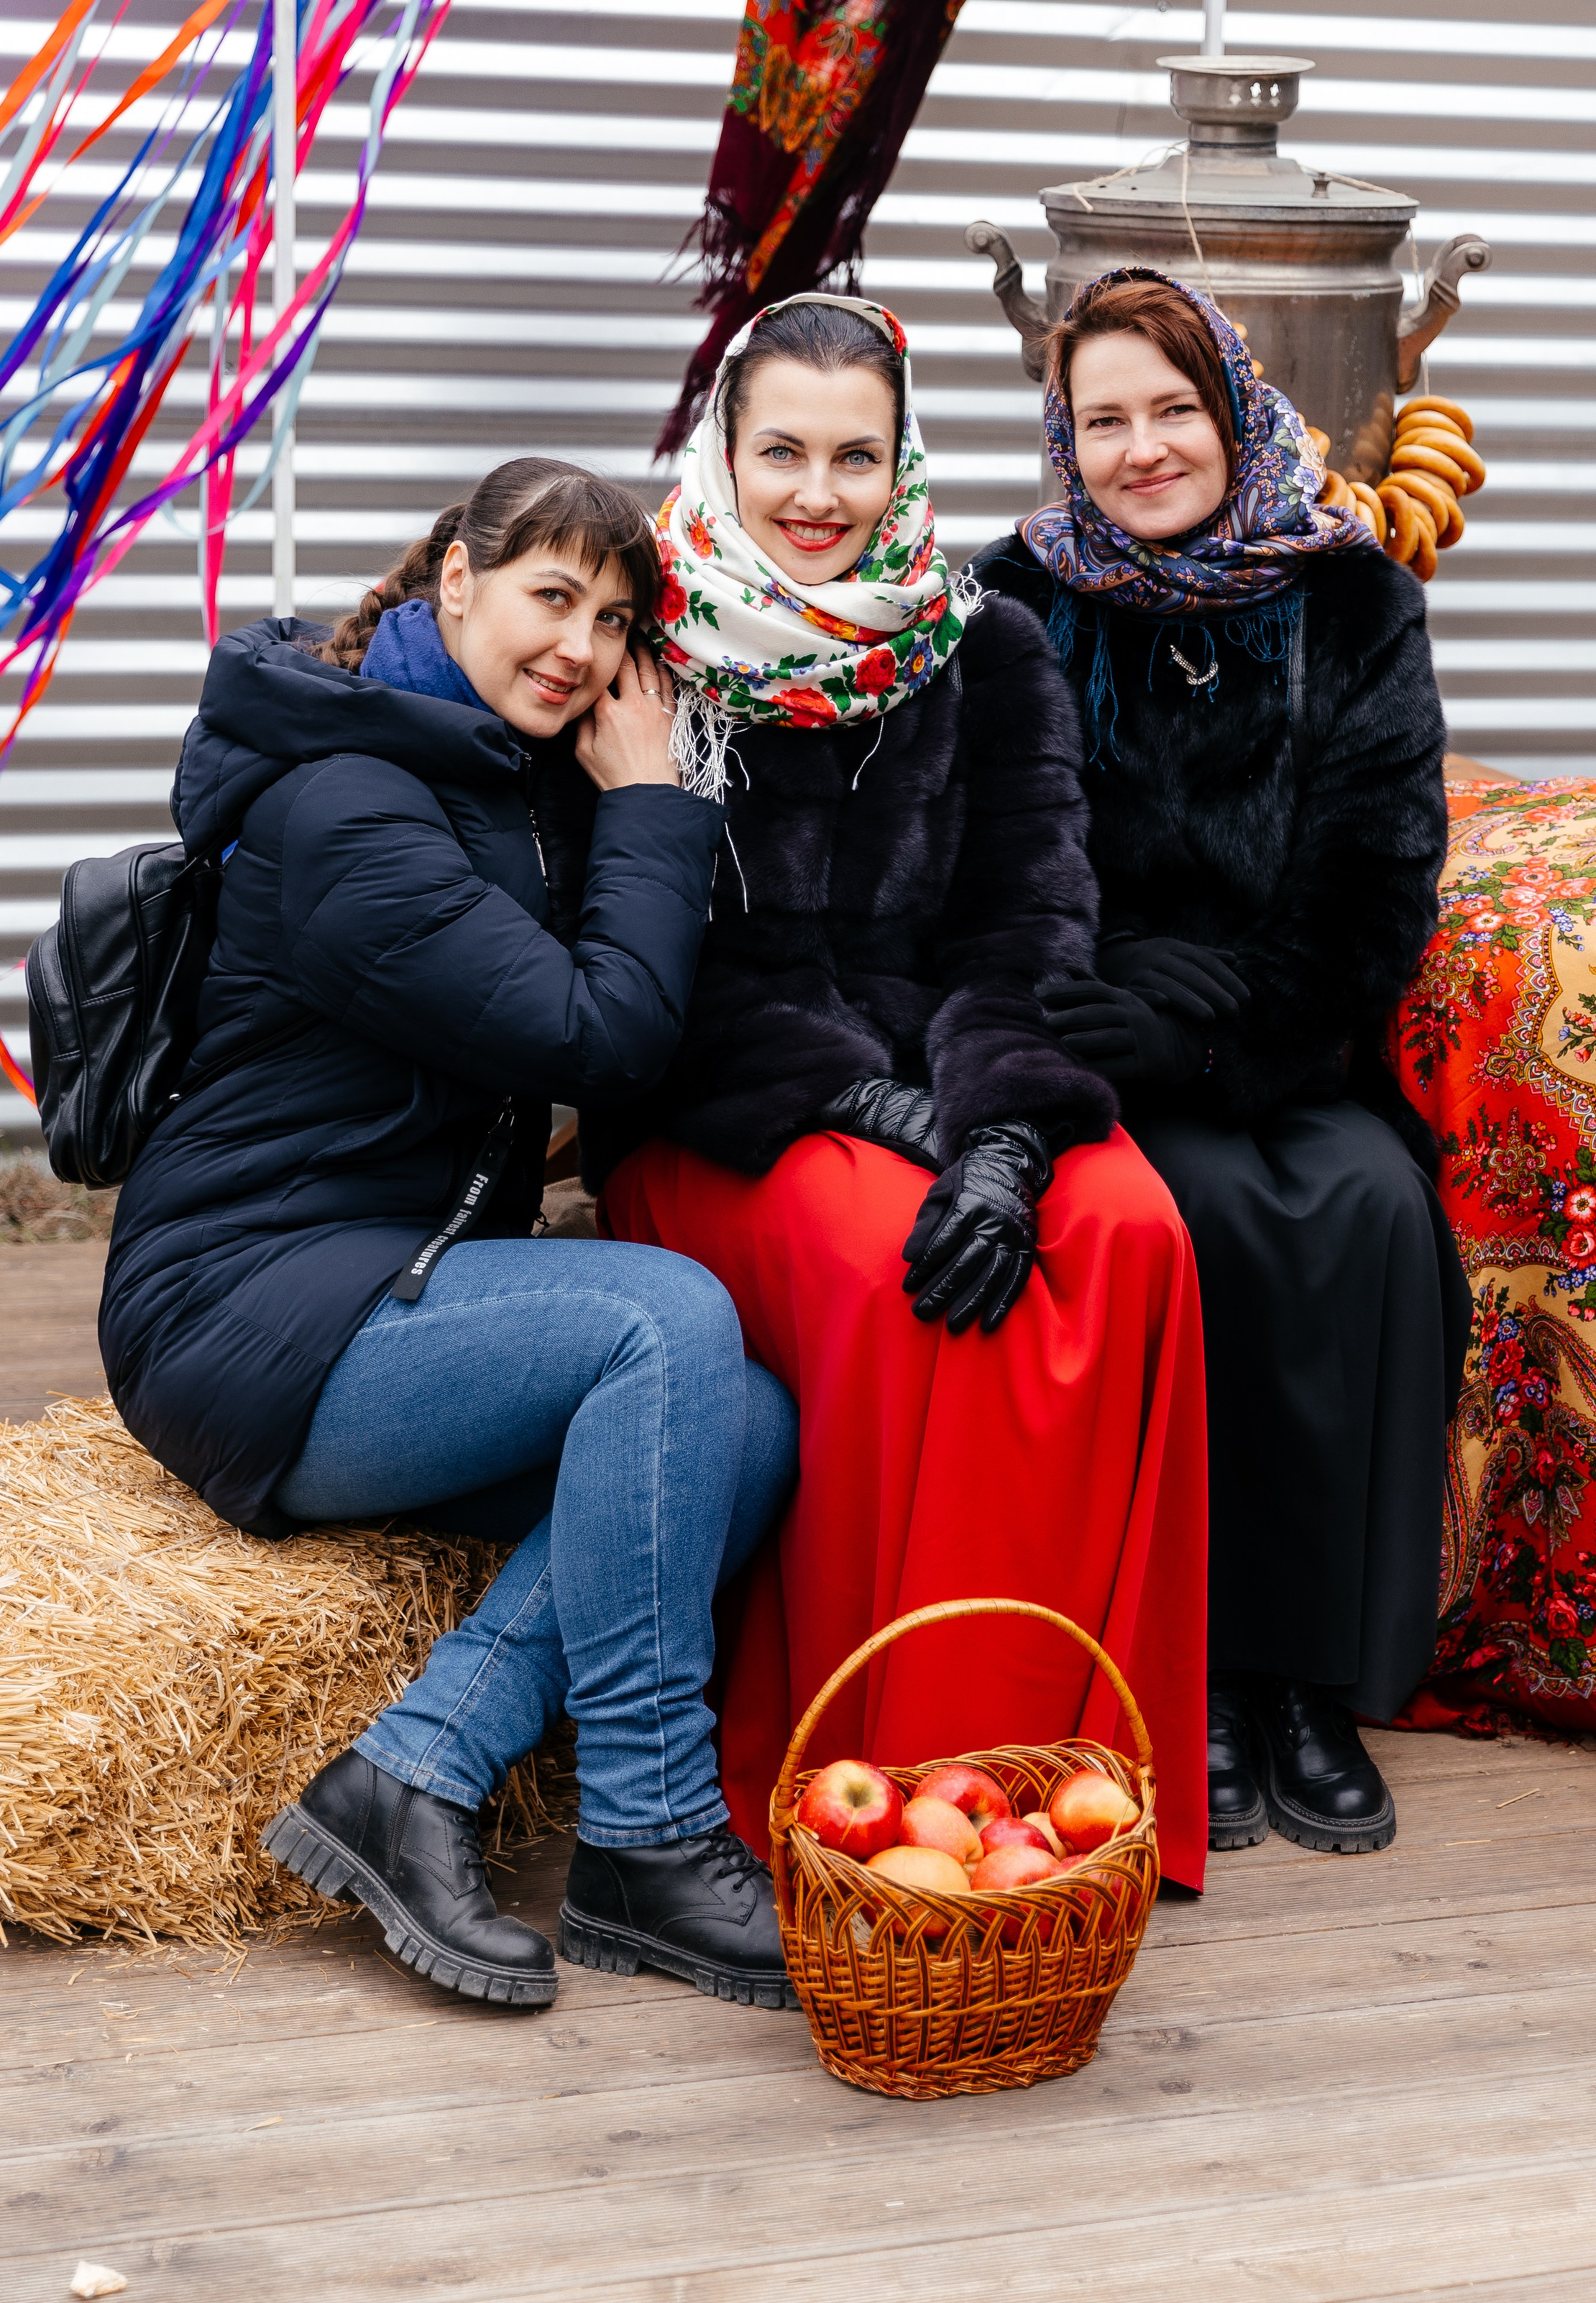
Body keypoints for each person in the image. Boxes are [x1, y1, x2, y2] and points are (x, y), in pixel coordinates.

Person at [99, 459, 801, 2010]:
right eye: (551, 597)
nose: (581, 649)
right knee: (664, 1321)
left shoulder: (475, 767)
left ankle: (412, 1773)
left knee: (742, 1424)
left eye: (615, 622)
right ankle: (650, 1837)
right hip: (243, 1312)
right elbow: (596, 1031)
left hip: (375, 1282)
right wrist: (656, 811)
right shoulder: (350, 802)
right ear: (453, 584)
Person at [576, 293, 1211, 1887]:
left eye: (855, 456)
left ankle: (1075, 1786)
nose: (817, 492)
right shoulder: (653, 651)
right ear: (723, 452)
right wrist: (862, 1107)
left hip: (960, 1071)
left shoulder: (979, 644)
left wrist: (998, 1132)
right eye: (780, 450)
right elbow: (656, 956)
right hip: (739, 1102)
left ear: (902, 462)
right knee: (883, 1265)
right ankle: (884, 1778)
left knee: (1126, 1231)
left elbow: (1030, 915)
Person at [973, 267, 1470, 1857]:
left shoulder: (1352, 598)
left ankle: (1305, 1679)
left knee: (1369, 1214)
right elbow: (991, 857)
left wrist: (1223, 1020)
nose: (1140, 449)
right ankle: (1189, 1670)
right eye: (1100, 419)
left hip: (1286, 1040)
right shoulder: (1014, 599)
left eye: (1169, 409)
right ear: (1062, 439)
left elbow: (1371, 886)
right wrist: (1112, 996)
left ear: (1235, 411)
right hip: (1098, 1045)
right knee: (1195, 1220)